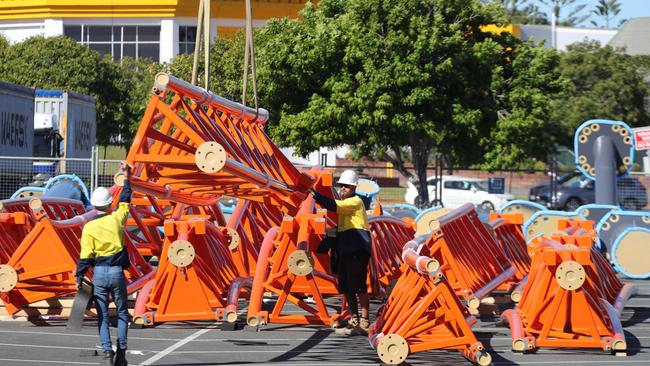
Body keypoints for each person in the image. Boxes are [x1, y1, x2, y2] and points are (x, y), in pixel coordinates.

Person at [76, 161, 132, 366]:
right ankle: (122, 354)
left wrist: (79, 277)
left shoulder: (88, 228)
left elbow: (85, 257)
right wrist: (127, 176)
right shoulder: (117, 219)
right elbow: (126, 199)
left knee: (102, 315)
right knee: (123, 313)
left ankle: (107, 354)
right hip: (117, 272)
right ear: (109, 205)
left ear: (93, 205)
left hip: (98, 273)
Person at [311, 169, 372, 336]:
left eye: (345, 187)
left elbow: (335, 206)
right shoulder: (348, 204)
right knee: (345, 286)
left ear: (353, 188)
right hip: (347, 247)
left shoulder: (355, 202)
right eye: (341, 186)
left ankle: (365, 321)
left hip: (357, 248)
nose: (342, 189)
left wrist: (315, 195)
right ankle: (355, 318)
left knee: (358, 286)